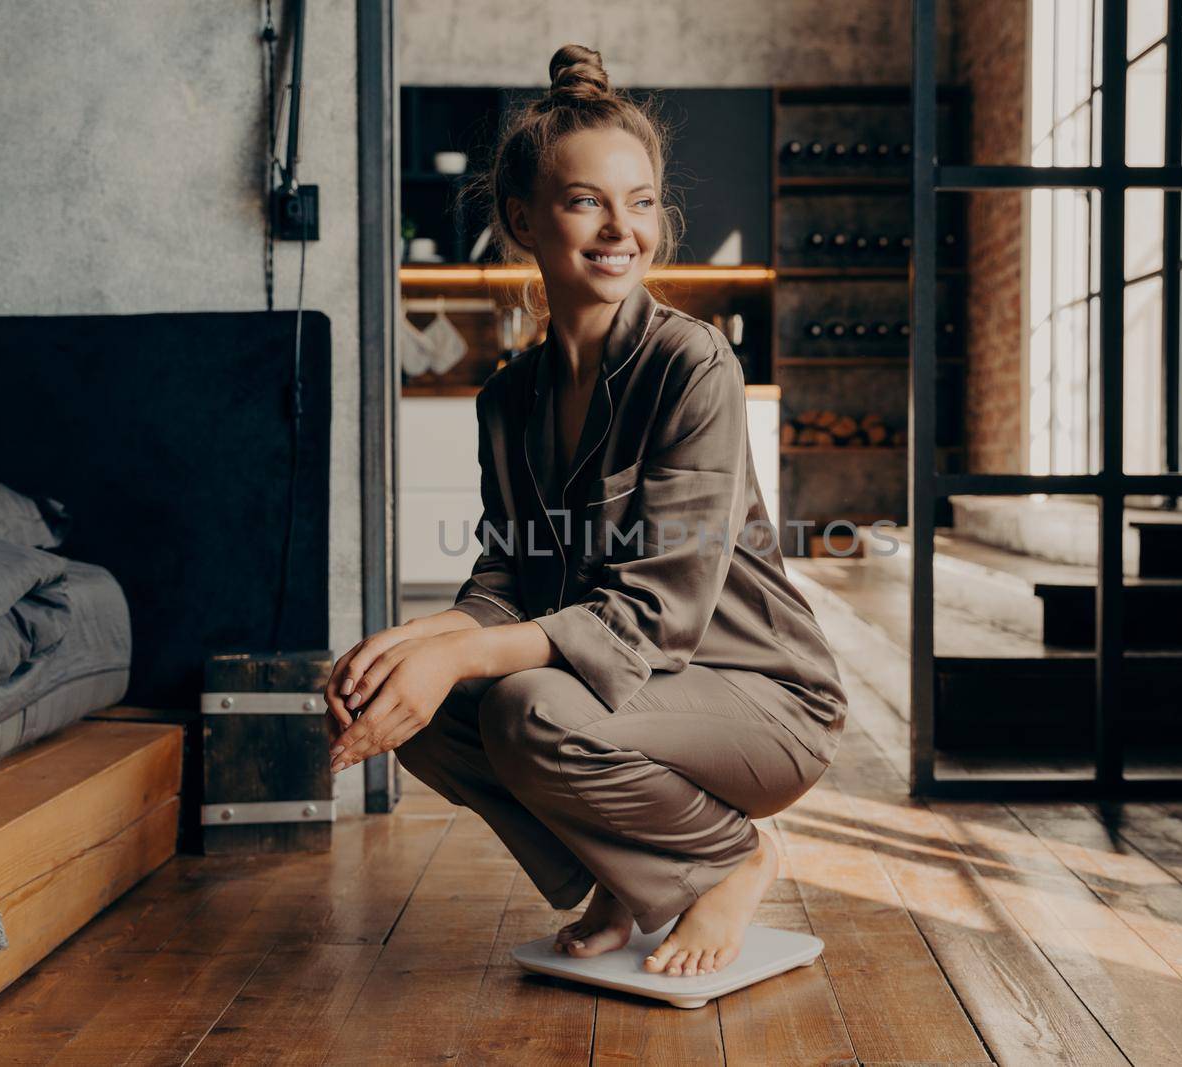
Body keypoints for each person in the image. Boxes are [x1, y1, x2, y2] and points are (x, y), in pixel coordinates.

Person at [323, 43, 848, 979]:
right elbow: (504, 578)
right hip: (639, 700)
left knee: (523, 707)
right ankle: (628, 879)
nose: (622, 228)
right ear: (523, 218)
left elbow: (655, 615)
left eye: (640, 200)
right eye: (586, 201)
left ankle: (732, 859)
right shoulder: (509, 398)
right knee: (433, 711)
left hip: (760, 700)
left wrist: (456, 653)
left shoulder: (695, 367)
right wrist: (410, 646)